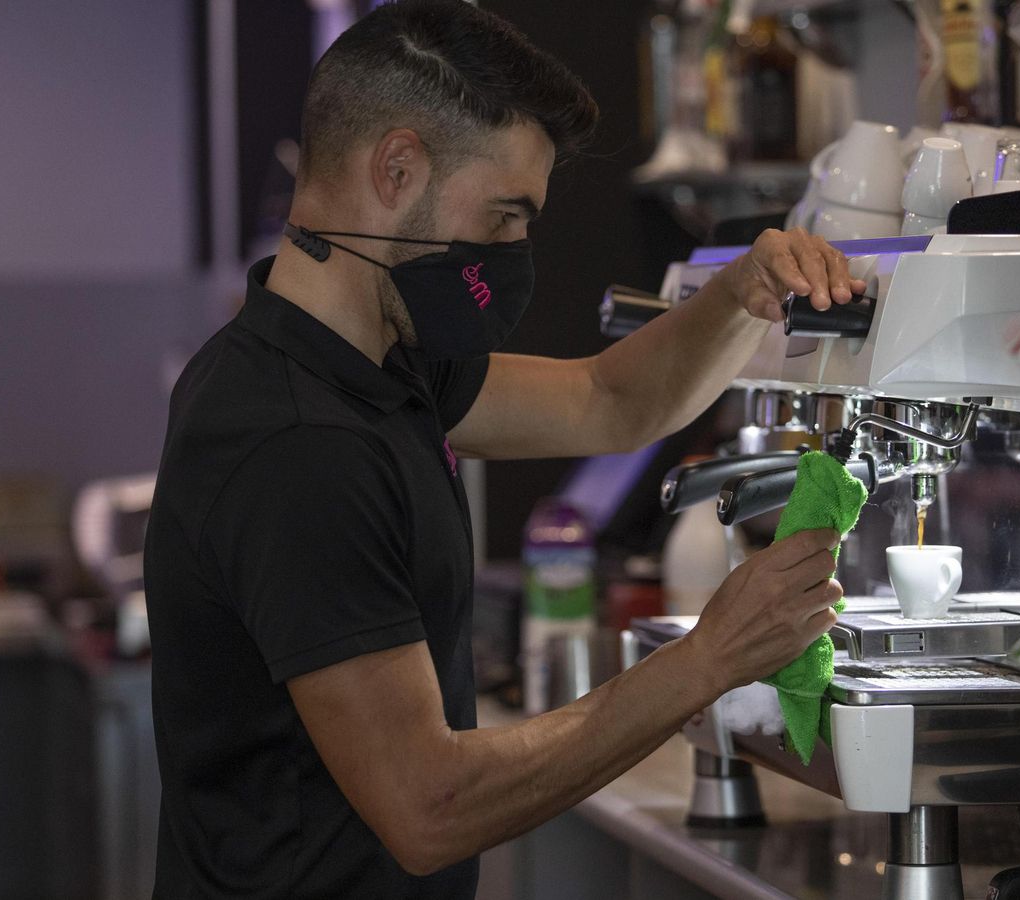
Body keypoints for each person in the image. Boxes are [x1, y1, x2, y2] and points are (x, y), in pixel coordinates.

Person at [143, 2, 865, 897]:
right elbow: (428, 807)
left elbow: (608, 402)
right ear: (397, 168)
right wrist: (709, 659)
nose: (517, 255)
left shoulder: (369, 364)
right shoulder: (297, 442)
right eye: (502, 219)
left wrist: (738, 295)